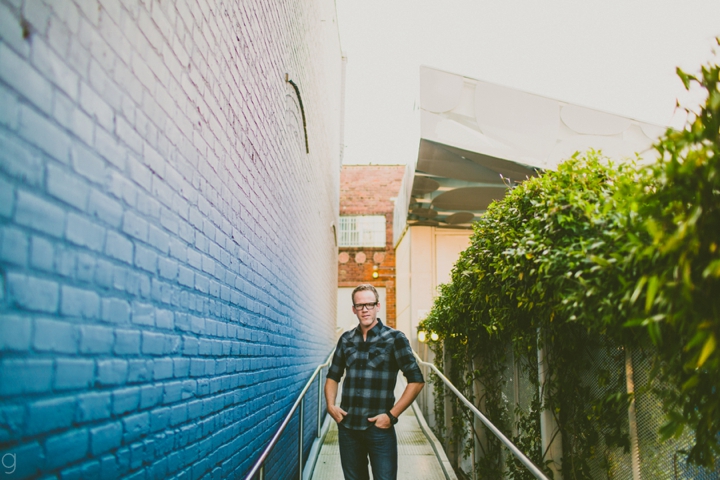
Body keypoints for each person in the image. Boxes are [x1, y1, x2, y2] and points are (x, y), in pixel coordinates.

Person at [325, 284, 425, 480]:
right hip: (348, 427)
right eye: (360, 305)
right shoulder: (346, 339)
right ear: (354, 309)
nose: (365, 309)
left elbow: (416, 380)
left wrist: (391, 416)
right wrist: (330, 406)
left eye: (369, 304)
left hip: (379, 429)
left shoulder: (394, 338)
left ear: (378, 306)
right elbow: (333, 376)